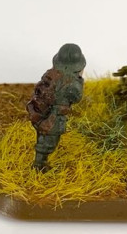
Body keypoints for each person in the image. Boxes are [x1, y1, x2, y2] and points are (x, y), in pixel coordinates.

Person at [26, 43, 85, 172]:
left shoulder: (50, 73)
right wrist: (80, 81)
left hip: (40, 111)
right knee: (49, 142)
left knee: (43, 137)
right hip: (55, 117)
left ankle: (39, 163)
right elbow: (76, 98)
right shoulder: (73, 84)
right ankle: (38, 165)